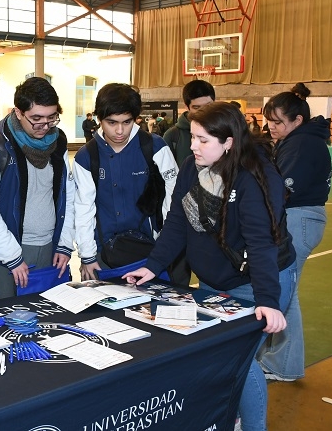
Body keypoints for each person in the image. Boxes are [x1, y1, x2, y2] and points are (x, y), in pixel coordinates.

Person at [123, 102, 296, 431]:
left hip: (256, 280)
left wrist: (268, 302)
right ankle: (227, 417)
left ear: (228, 142)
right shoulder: (192, 167)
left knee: (238, 358)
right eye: (193, 137)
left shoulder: (253, 178)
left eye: (203, 140)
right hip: (214, 284)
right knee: (218, 356)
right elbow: (177, 221)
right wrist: (153, 265)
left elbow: (261, 244)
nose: (193, 145)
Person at [0, 77, 75, 299]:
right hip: (5, 252)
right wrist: (12, 257)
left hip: (49, 248)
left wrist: (64, 244)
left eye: (51, 118)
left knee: (49, 316)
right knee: (8, 318)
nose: (44, 126)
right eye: (36, 118)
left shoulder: (58, 143)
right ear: (18, 112)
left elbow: (68, 195)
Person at [257, 82, 332, 382]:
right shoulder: (300, 139)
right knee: (286, 289)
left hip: (299, 219)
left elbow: (281, 186)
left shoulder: (301, 144)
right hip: (301, 219)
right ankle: (280, 358)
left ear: (297, 121)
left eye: (277, 122)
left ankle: (285, 363)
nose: (271, 127)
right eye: (269, 121)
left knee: (286, 290)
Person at [73, 83, 178, 280]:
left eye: (127, 122)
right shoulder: (86, 156)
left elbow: (174, 198)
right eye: (112, 123)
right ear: (99, 119)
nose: (120, 131)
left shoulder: (155, 146)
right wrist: (87, 256)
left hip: (149, 252)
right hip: (102, 254)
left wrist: (165, 247)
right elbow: (82, 208)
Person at [163, 79, 216, 166]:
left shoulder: (225, 130)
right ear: (187, 107)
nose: (203, 111)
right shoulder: (172, 135)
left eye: (208, 106)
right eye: (196, 107)